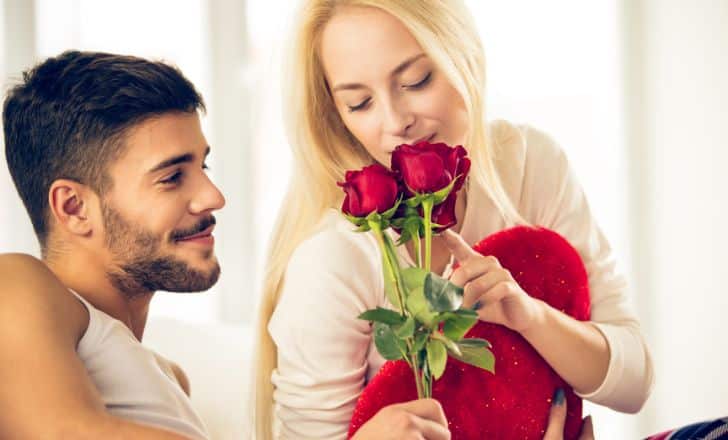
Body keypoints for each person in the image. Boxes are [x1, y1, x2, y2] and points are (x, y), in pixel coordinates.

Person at [251, 1, 654, 439]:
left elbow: (633, 383)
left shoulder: (528, 165)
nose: (396, 122)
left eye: (416, 80)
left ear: (462, 52)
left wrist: (531, 318)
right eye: (360, 103)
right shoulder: (333, 257)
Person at [0, 51, 225, 439]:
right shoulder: (14, 283)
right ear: (74, 208)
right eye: (172, 176)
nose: (212, 197)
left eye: (202, 167)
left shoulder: (170, 376)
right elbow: (63, 433)